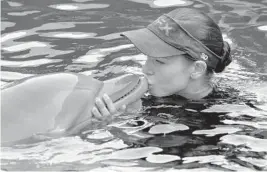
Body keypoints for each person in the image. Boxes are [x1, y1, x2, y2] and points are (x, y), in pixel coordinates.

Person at [91, 8, 232, 120]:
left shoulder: (230, 117)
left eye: (159, 61)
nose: (145, 69)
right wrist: (115, 122)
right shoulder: (145, 99)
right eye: (148, 58)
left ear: (197, 69)